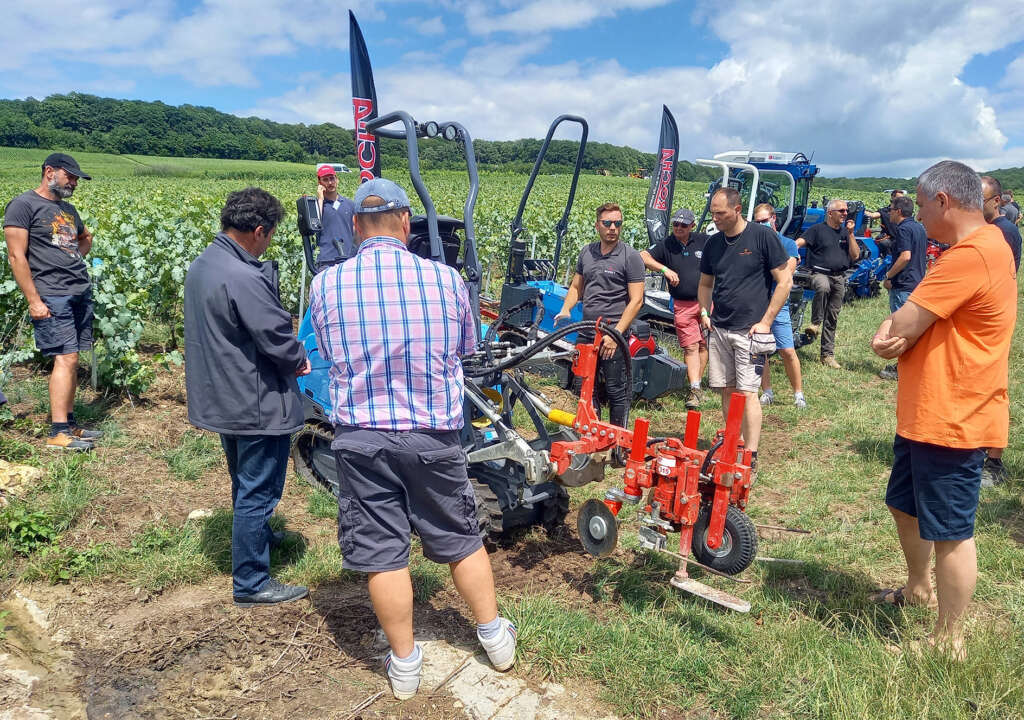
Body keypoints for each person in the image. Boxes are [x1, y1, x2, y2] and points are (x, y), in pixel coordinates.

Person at [308, 178, 515, 700]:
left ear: (355, 227)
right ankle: (495, 639)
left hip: (361, 436)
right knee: (462, 538)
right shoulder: (445, 280)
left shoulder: (326, 284)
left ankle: (404, 667)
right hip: (431, 435)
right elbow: (466, 348)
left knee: (382, 553)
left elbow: (329, 353)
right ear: (406, 223)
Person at [870, 160, 1016, 660]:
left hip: (953, 414)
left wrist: (896, 332)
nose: (912, 212)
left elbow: (898, 327)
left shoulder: (968, 256)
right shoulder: (987, 245)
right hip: (931, 409)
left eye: (919, 200)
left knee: (951, 533)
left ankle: (948, 640)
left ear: (943, 202)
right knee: (902, 503)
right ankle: (918, 587)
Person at [184, 187, 311, 607]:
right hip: (253, 399)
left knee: (244, 480)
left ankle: (258, 538)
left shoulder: (205, 263)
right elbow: (275, 334)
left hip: (223, 394)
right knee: (259, 489)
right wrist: (299, 359)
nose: (269, 242)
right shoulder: (244, 275)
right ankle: (252, 582)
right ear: (258, 231)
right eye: (270, 235)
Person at [3, 153, 101, 451]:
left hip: (77, 290)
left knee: (74, 358)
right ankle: (58, 432)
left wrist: (71, 261)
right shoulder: (23, 205)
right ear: (49, 172)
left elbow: (86, 237)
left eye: (76, 178)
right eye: (69, 176)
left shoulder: (67, 209)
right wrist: (34, 299)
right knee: (65, 357)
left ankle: (70, 424)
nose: (74, 182)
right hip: (51, 293)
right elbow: (16, 256)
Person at [697, 188, 791, 470]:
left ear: (738, 210)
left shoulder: (762, 237)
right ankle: (731, 445)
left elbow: (784, 282)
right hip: (720, 329)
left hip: (749, 332)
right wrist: (704, 312)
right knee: (727, 390)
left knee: (748, 392)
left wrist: (765, 322)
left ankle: (750, 455)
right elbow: (705, 284)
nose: (715, 219)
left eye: (721, 213)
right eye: (713, 212)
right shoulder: (713, 244)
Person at [555, 203, 645, 428]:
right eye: (607, 223)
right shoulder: (587, 252)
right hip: (587, 331)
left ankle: (616, 440)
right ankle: (591, 431)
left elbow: (637, 300)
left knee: (615, 387)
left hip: (613, 333)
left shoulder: (630, 257)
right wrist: (566, 308)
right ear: (598, 226)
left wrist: (615, 334)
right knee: (583, 384)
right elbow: (576, 287)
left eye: (617, 223)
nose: (613, 228)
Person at [640, 207, 709, 409]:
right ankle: (695, 388)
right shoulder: (666, 245)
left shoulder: (704, 240)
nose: (678, 228)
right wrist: (664, 269)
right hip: (682, 304)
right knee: (690, 346)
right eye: (675, 224)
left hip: (706, 302)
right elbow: (643, 255)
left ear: (692, 226)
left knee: (704, 345)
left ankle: (695, 385)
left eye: (683, 225)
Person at [978, 176, 1021, 487]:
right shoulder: (994, 229)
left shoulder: (1002, 231)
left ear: (996, 202)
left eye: (979, 201)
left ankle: (994, 462)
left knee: (993, 391)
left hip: (991, 318)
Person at [752, 203, 805, 409]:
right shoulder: (754, 244)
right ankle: (767, 392)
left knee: (787, 350)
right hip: (758, 302)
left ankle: (798, 394)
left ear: (774, 219)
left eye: (764, 221)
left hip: (779, 303)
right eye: (757, 222)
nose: (761, 225)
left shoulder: (788, 244)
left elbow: (787, 271)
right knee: (760, 350)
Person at [797, 198, 859, 369]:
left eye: (846, 211)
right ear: (830, 213)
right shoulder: (816, 230)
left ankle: (827, 355)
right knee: (823, 287)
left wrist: (851, 234)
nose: (845, 214)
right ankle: (815, 323)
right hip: (818, 273)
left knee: (832, 316)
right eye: (842, 211)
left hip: (839, 277)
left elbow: (855, 256)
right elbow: (799, 243)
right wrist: (791, 252)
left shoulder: (846, 233)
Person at [878, 195, 927, 381]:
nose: (888, 212)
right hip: (917, 282)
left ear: (898, 211)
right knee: (914, 327)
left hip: (904, 283)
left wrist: (889, 275)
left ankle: (902, 368)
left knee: (902, 329)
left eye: (890, 209)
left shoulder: (903, 229)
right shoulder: (919, 227)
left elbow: (905, 256)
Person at [314, 165, 356, 272]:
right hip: (326, 260)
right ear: (319, 183)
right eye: (325, 180)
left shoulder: (350, 204)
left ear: (337, 179)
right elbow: (315, 223)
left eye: (332, 178)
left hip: (348, 259)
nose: (330, 183)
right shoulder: (316, 205)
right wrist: (320, 199)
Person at [864, 189, 906, 256]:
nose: (901, 200)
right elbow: (872, 215)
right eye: (899, 198)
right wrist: (861, 210)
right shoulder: (884, 211)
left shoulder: (904, 212)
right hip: (889, 239)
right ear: (892, 198)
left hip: (901, 239)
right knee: (884, 243)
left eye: (902, 198)